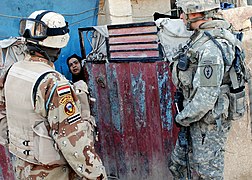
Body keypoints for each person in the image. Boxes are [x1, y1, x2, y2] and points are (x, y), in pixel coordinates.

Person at [1, 10, 107, 180]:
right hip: (52, 173)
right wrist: (98, 175)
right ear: (58, 46)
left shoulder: (11, 71)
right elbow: (73, 143)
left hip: (22, 168)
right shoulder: (54, 82)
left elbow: (3, 119)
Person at [168, 0, 247, 179]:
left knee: (208, 174)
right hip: (196, 118)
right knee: (178, 165)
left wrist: (182, 118)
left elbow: (205, 98)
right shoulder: (202, 37)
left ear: (195, 13)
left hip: (207, 122)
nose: (181, 16)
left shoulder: (211, 47)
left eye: (183, 12)